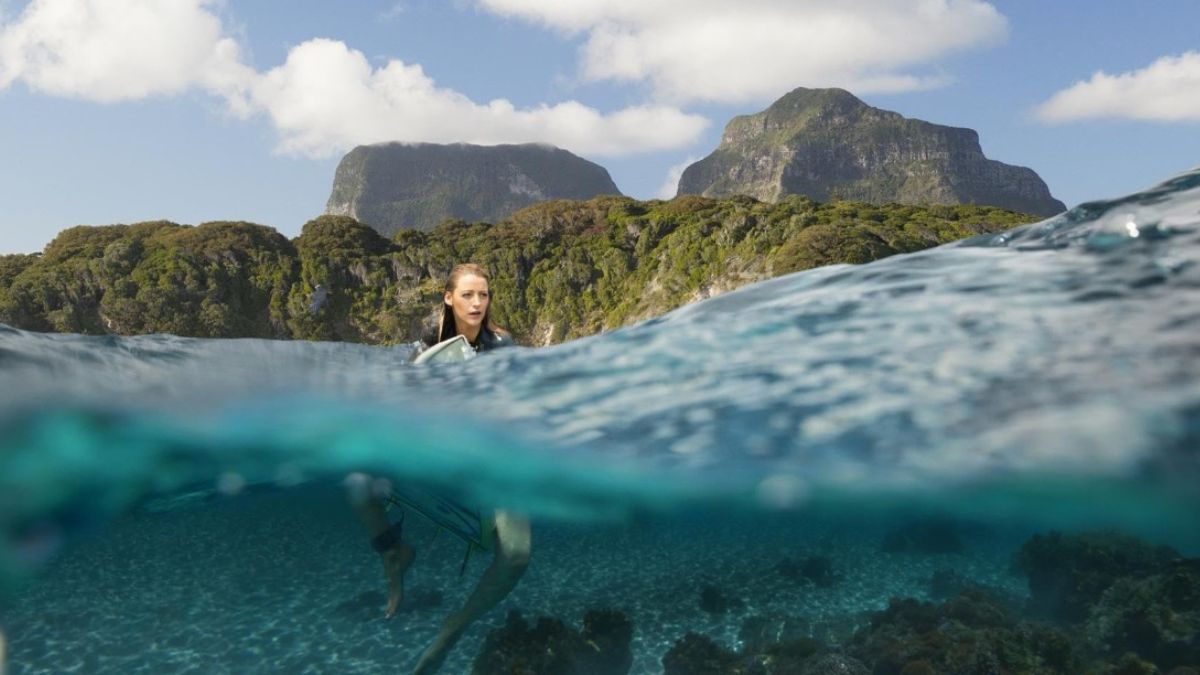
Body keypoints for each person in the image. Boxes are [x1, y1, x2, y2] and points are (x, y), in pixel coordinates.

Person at [347, 263, 530, 675]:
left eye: (483, 294)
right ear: (449, 297)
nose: (477, 303)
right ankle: (394, 555)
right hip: (440, 453)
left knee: (516, 555)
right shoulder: (427, 343)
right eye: (468, 295)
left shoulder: (502, 344)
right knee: (357, 480)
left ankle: (452, 628)